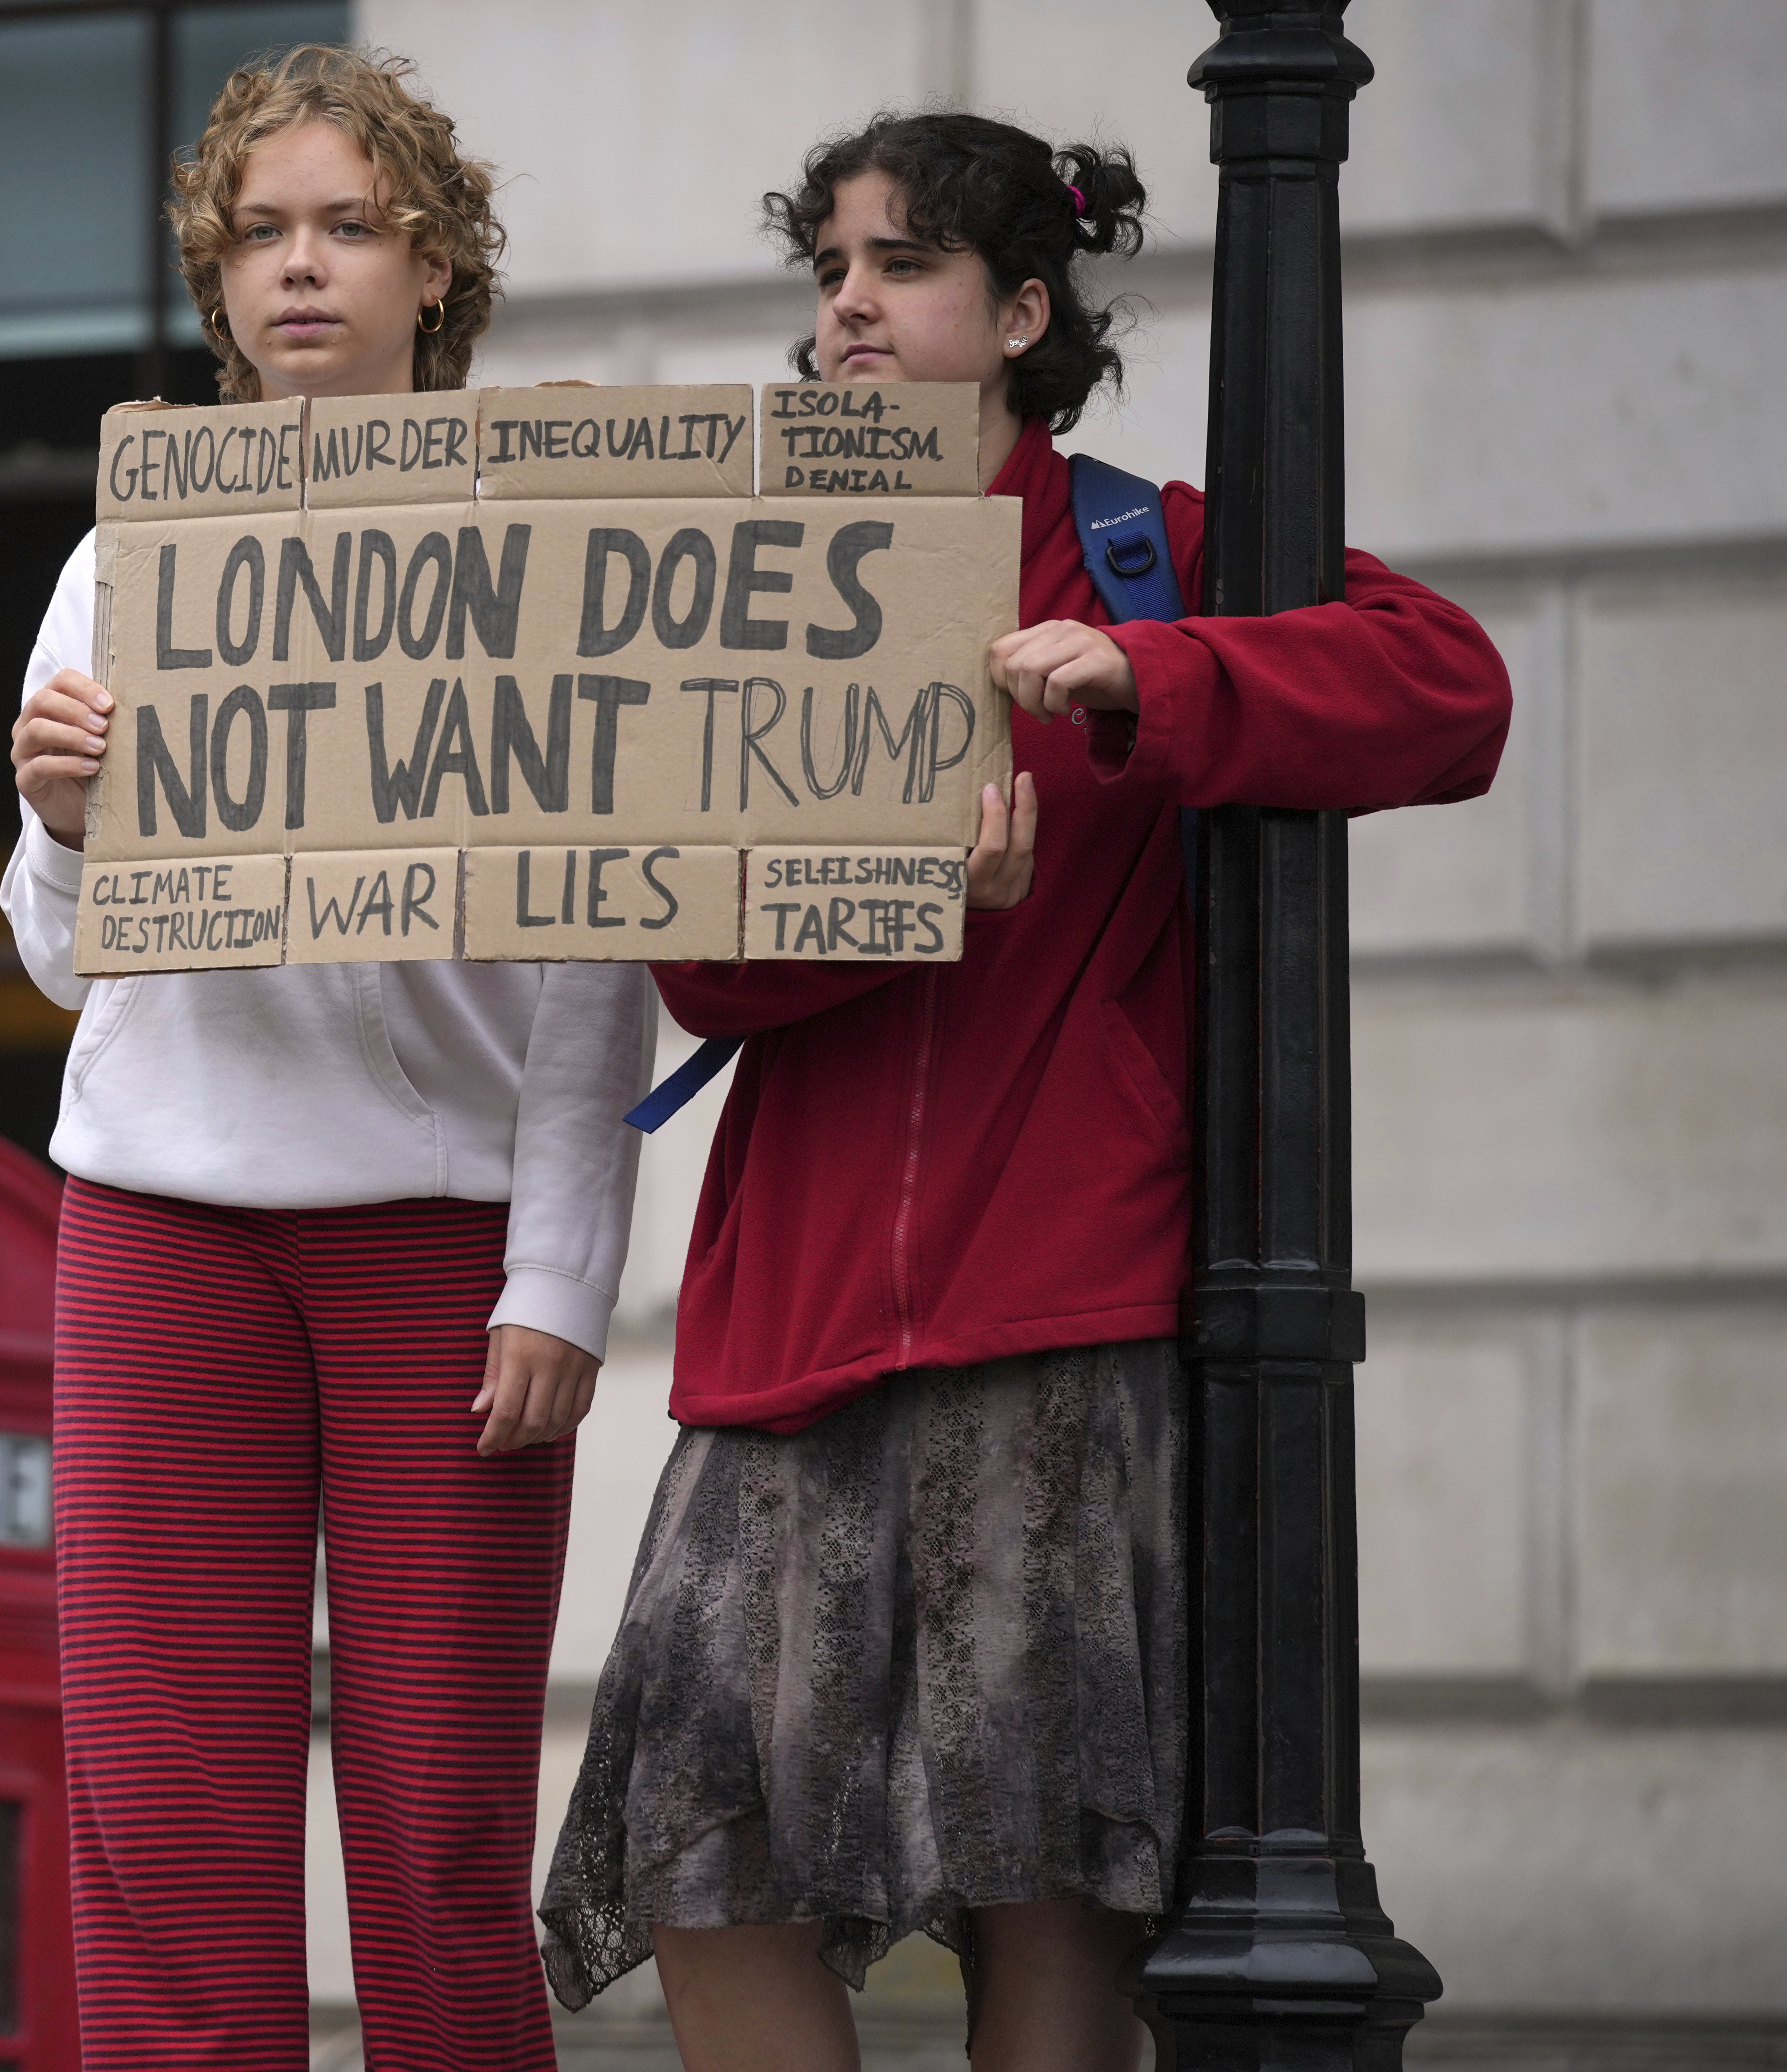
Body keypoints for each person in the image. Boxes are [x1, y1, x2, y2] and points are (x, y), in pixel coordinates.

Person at [536, 111, 1512, 2072]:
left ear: (1020, 310)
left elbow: (1448, 687)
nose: (848, 307)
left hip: (1056, 1313)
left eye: (895, 266)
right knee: (699, 1868)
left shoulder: (1150, 542)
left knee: (1041, 1889)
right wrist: (900, 897)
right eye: (826, 270)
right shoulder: (761, 563)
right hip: (787, 1330)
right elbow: (701, 963)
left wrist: (1151, 682)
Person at [0, 44, 658, 2072]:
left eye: (350, 228)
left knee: (438, 1822)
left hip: (439, 1254)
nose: (303, 268)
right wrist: (58, 826)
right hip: (157, 1223)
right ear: (215, 284)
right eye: (261, 233)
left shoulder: (536, 545)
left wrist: (559, 1273)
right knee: (164, 1818)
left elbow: (592, 941)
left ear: (432, 269)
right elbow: (55, 963)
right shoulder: (124, 556)